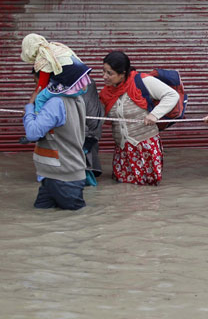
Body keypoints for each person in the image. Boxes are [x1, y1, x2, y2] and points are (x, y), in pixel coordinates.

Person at [20, 33, 90, 210]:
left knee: (73, 225)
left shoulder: (55, 103)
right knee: (44, 216)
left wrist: (29, 107)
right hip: (53, 176)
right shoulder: (73, 98)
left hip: (64, 178)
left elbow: (33, 132)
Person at [99, 51, 179, 185]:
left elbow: (172, 95)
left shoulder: (142, 81)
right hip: (122, 152)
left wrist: (155, 114)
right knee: (124, 192)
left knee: (146, 192)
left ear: (122, 73)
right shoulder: (106, 92)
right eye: (104, 71)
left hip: (145, 150)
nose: (104, 77)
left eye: (110, 73)